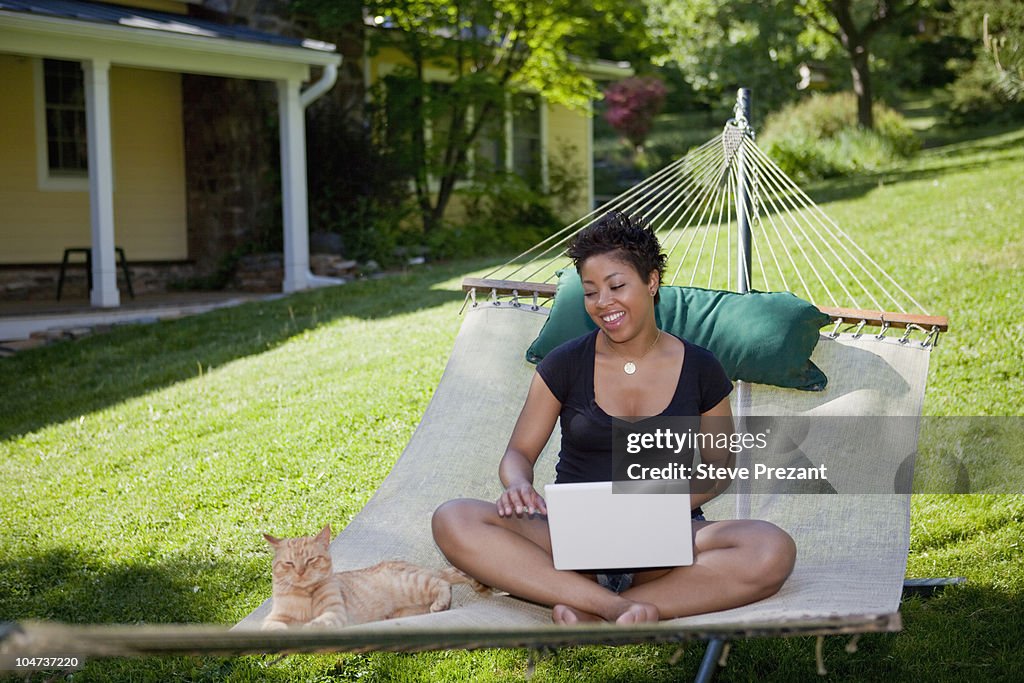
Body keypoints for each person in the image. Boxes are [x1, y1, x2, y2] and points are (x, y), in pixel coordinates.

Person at [432, 211, 796, 624]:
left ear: (652, 281)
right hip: (572, 536)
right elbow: (519, 451)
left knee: (770, 547)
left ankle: (588, 604)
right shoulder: (565, 363)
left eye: (616, 286)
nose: (603, 303)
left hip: (662, 537)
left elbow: (718, 468)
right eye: (590, 292)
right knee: (454, 517)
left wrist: (655, 506)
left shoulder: (700, 368)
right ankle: (615, 607)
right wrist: (518, 485)